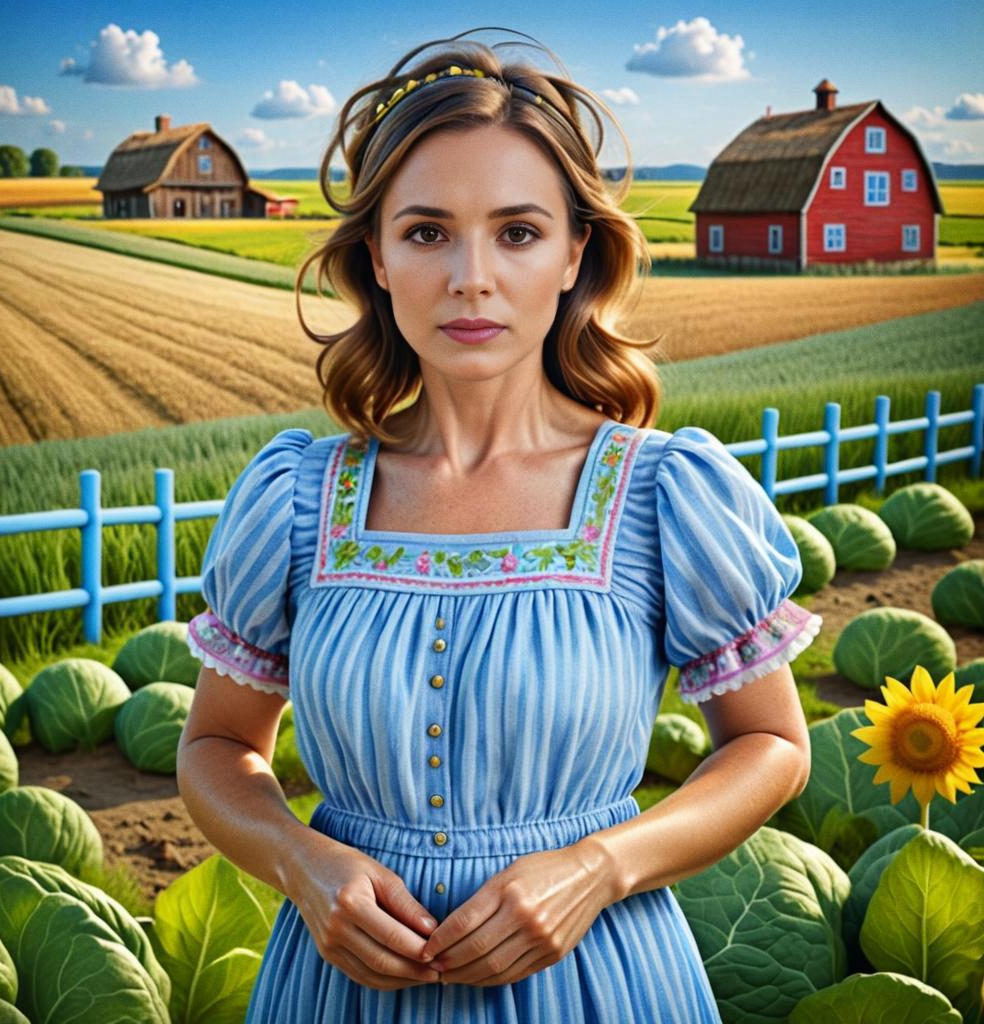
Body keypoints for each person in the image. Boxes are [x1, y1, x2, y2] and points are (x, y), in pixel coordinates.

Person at [178, 26, 822, 1023]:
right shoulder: (298, 498)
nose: (469, 276)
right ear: (378, 261)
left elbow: (772, 743)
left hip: (601, 982)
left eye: (516, 232)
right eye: (426, 231)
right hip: (335, 993)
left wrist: (600, 866)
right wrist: (300, 860)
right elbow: (216, 746)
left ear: (575, 254)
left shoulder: (664, 493)